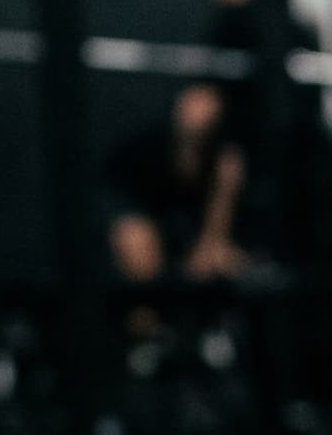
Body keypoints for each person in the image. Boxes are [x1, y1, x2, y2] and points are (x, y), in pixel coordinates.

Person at [104, 81, 248, 287]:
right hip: (145, 229)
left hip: (191, 238)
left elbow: (215, 236)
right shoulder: (146, 150)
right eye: (194, 102)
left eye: (207, 104)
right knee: (136, 244)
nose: (199, 112)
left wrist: (211, 244)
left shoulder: (223, 159)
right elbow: (130, 216)